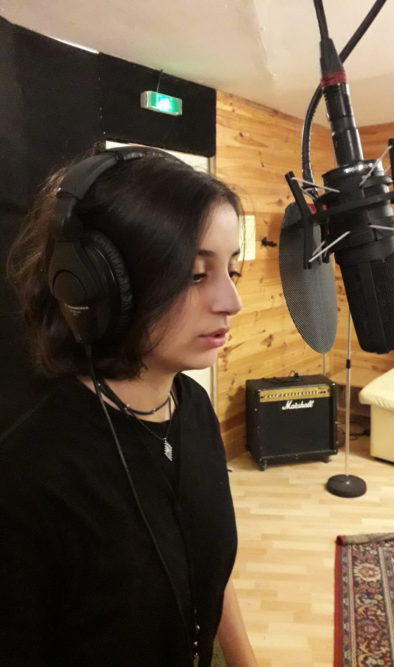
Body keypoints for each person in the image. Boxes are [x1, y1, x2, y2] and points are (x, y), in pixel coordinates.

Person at [1, 145, 257, 667]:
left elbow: (207, 565)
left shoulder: (193, 407)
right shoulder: (29, 473)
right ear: (97, 286)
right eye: (195, 274)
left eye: (232, 269)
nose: (231, 302)